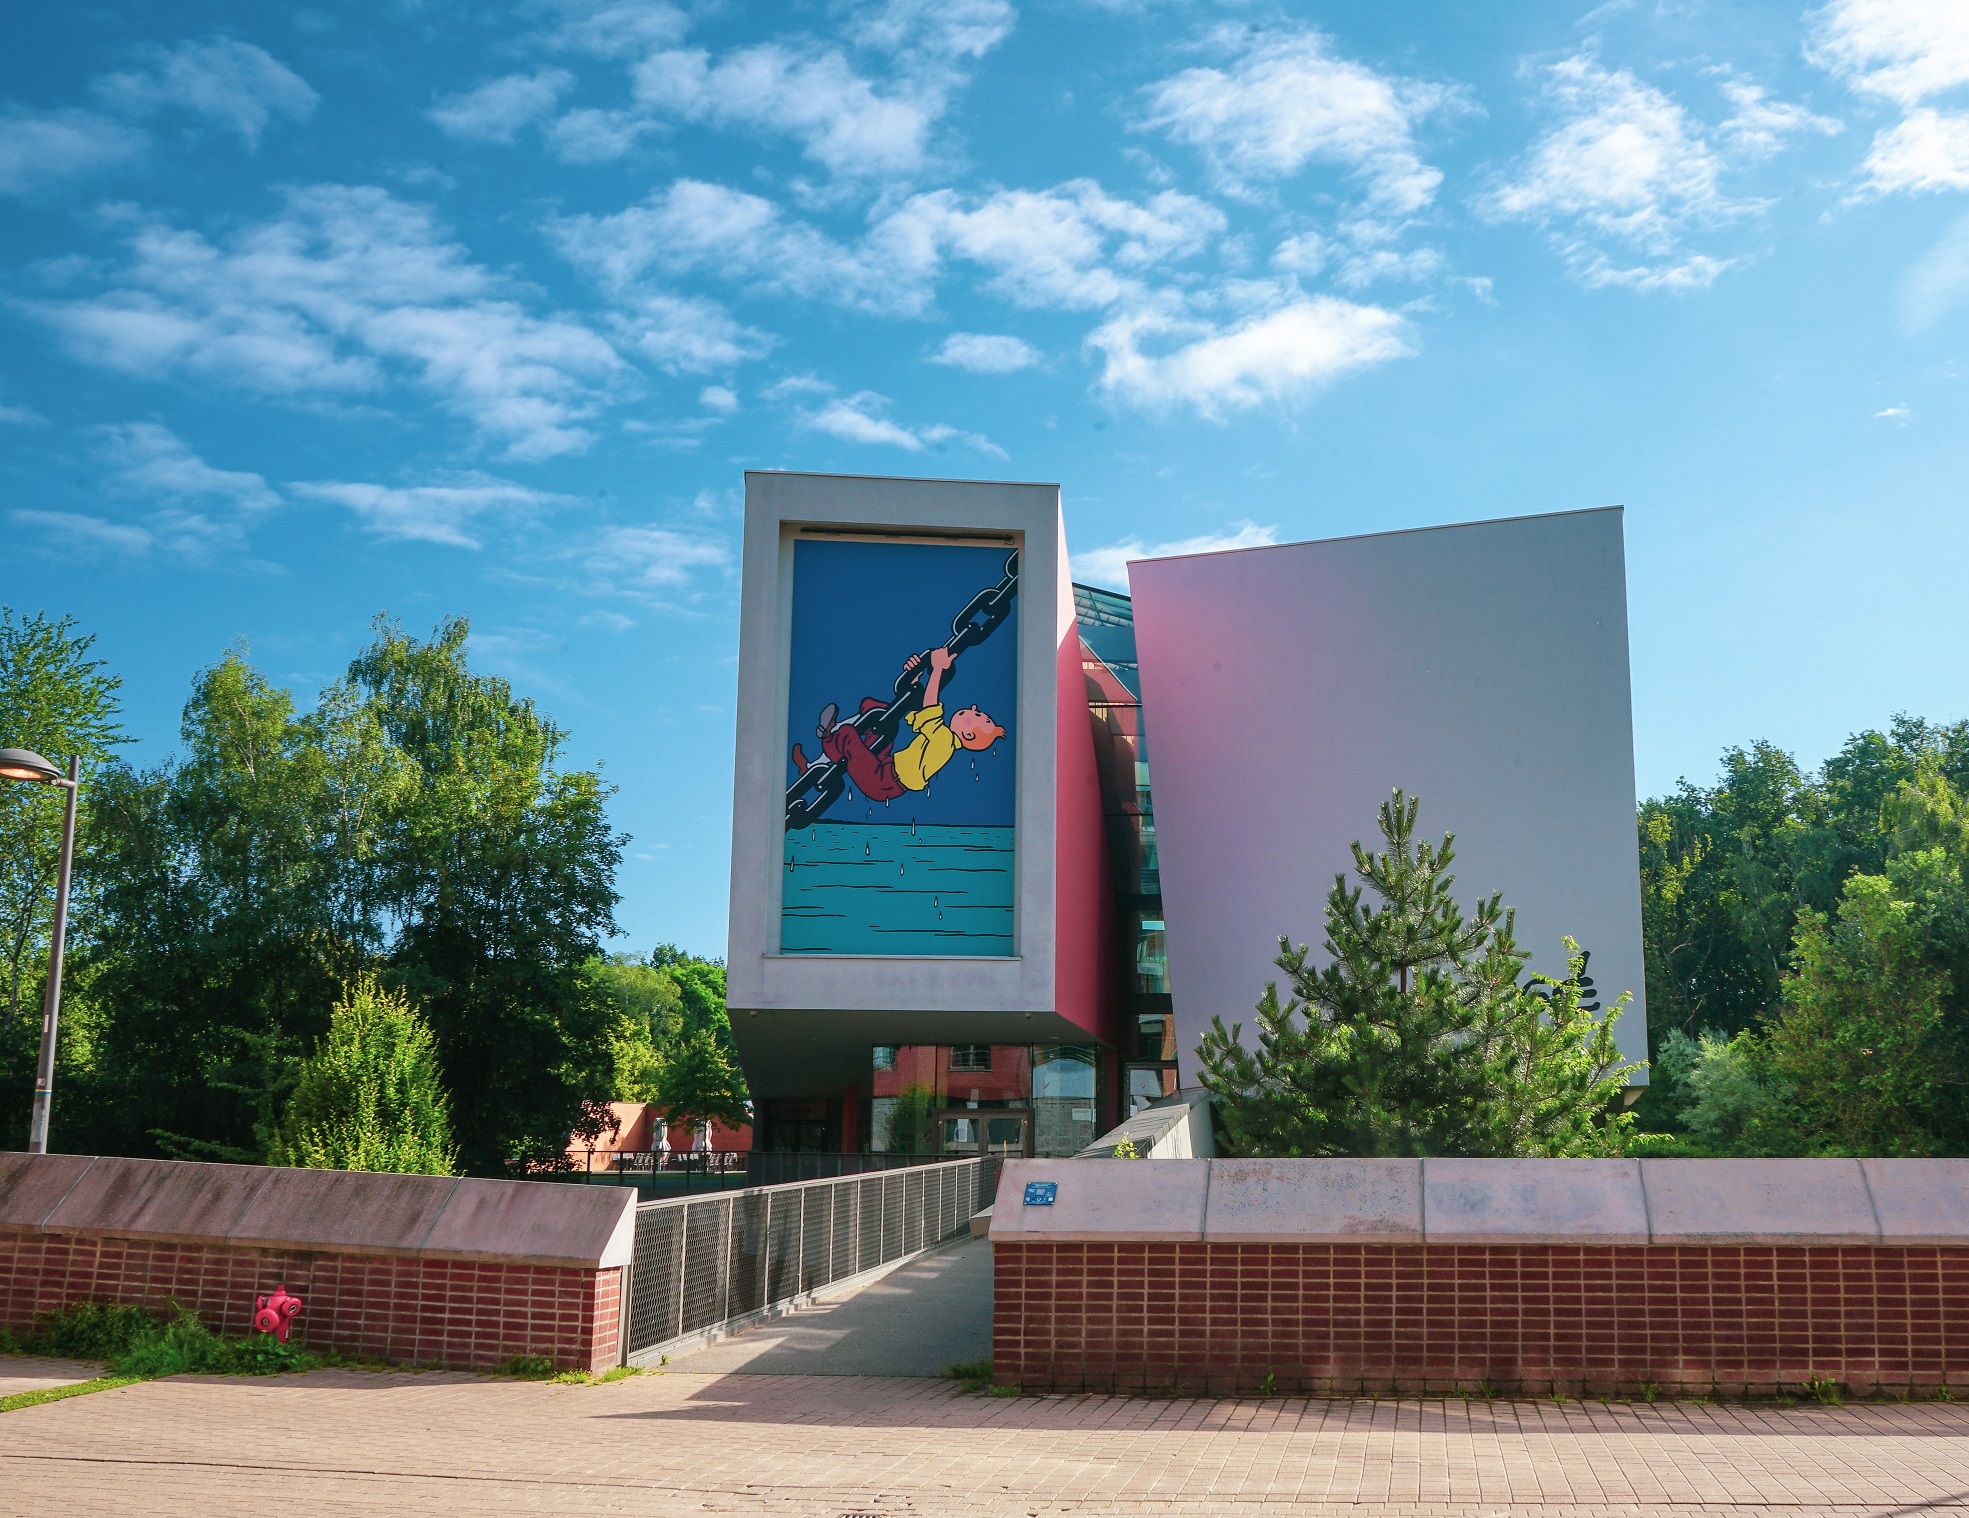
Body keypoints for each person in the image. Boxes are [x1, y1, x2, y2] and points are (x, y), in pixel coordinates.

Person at [791, 646, 1006, 802]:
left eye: (981, 718)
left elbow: (930, 707)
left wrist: (938, 669)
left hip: (883, 782)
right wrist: (913, 683)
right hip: (888, 766)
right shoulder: (942, 738)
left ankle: (827, 738)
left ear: (968, 736)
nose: (976, 709)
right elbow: (916, 715)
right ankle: (811, 764)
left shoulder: (944, 742)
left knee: (847, 736)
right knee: (876, 710)